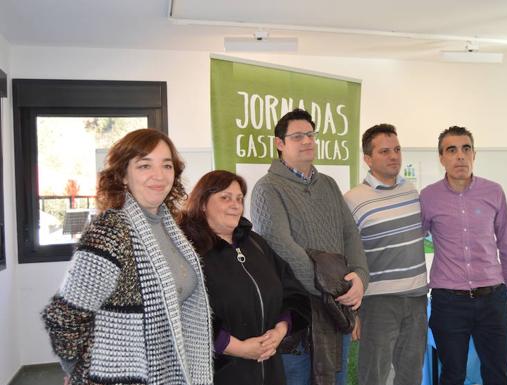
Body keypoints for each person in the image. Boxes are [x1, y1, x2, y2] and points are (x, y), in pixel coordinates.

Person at [41, 129, 213, 385]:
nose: (159, 175)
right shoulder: (111, 231)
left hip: (169, 371)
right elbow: (64, 317)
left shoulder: (169, 227)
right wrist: (80, 372)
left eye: (166, 165)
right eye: (144, 165)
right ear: (122, 175)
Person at [251, 108, 369, 385]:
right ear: (280, 144)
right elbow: (281, 247)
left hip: (336, 312)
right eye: (298, 136)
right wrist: (334, 290)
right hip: (297, 316)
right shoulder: (267, 188)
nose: (307, 141)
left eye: (311, 135)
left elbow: (350, 234)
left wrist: (361, 278)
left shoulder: (328, 184)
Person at [178, 170, 309, 385]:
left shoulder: (256, 244)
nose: (235, 205)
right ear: (202, 203)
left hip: (270, 368)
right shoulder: (188, 251)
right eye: (225, 198)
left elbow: (293, 293)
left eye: (239, 199)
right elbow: (186, 313)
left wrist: (279, 331)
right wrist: (238, 348)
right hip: (220, 373)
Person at [420, 126, 507, 385]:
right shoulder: (428, 197)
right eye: (451, 150)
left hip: (493, 300)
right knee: (453, 375)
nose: (460, 156)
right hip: (449, 303)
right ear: (441, 158)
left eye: (466, 149)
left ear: (474, 154)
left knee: (498, 373)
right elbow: (412, 244)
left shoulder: (493, 192)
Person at [343, 124, 428, 385]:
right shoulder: (353, 200)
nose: (394, 156)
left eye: (397, 149)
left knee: (411, 377)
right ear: (368, 159)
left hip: (416, 300)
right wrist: (352, 312)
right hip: (377, 304)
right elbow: (346, 257)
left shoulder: (412, 192)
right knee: (374, 377)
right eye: (384, 151)